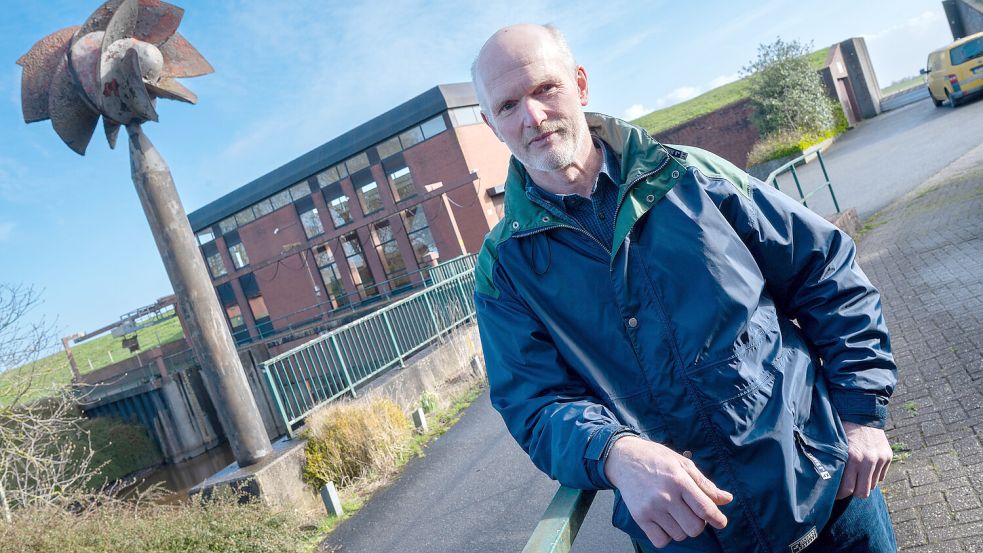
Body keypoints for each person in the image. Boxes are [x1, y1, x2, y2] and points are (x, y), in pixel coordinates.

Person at [471, 23, 898, 552]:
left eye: (545, 89)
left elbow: (824, 271)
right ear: (492, 125)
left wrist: (862, 414)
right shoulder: (503, 268)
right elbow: (534, 402)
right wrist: (615, 451)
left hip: (830, 494)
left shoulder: (693, 177)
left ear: (580, 85)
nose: (532, 117)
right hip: (691, 537)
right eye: (509, 105)